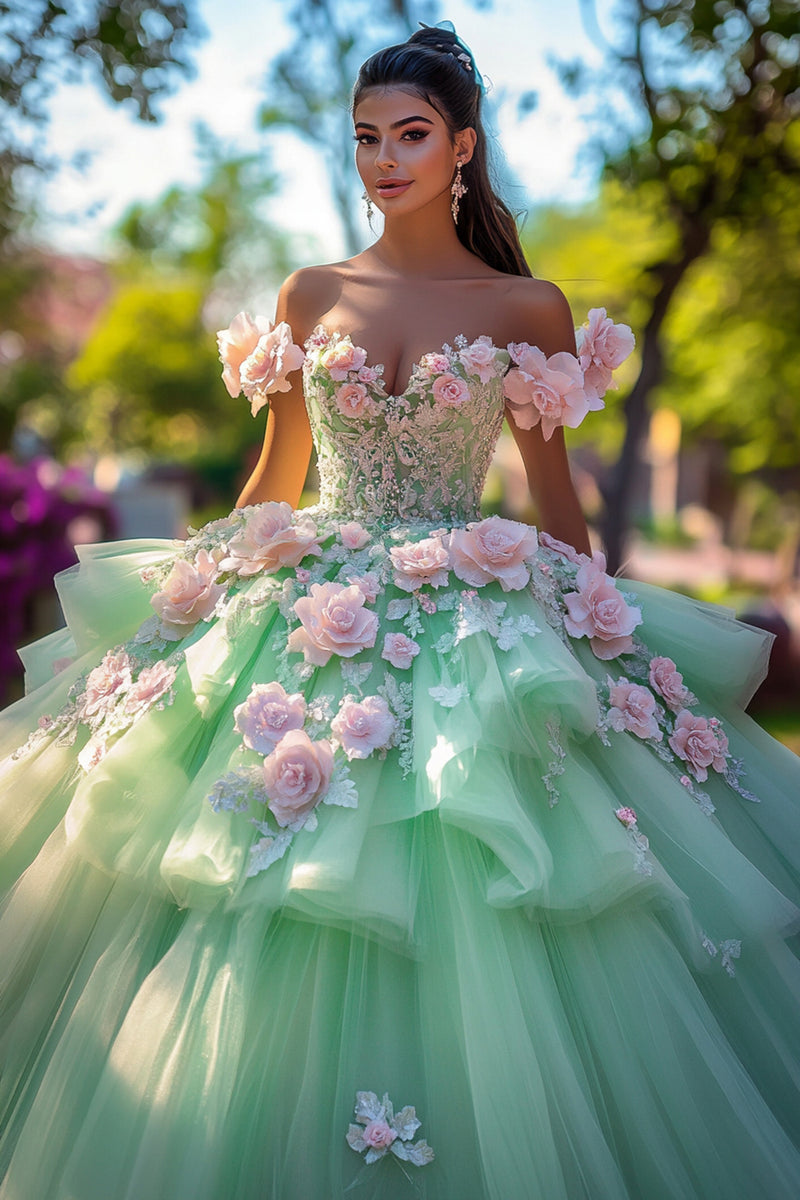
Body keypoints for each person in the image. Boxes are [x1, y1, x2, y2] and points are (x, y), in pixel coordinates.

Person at [1, 21, 800, 1200]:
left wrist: (596, 643)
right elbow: (277, 474)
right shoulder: (310, 290)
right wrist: (196, 593)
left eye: (409, 135)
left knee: (478, 855)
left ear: (460, 146)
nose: (383, 159)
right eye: (366, 137)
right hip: (307, 595)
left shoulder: (526, 305)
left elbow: (553, 505)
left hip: (469, 603)